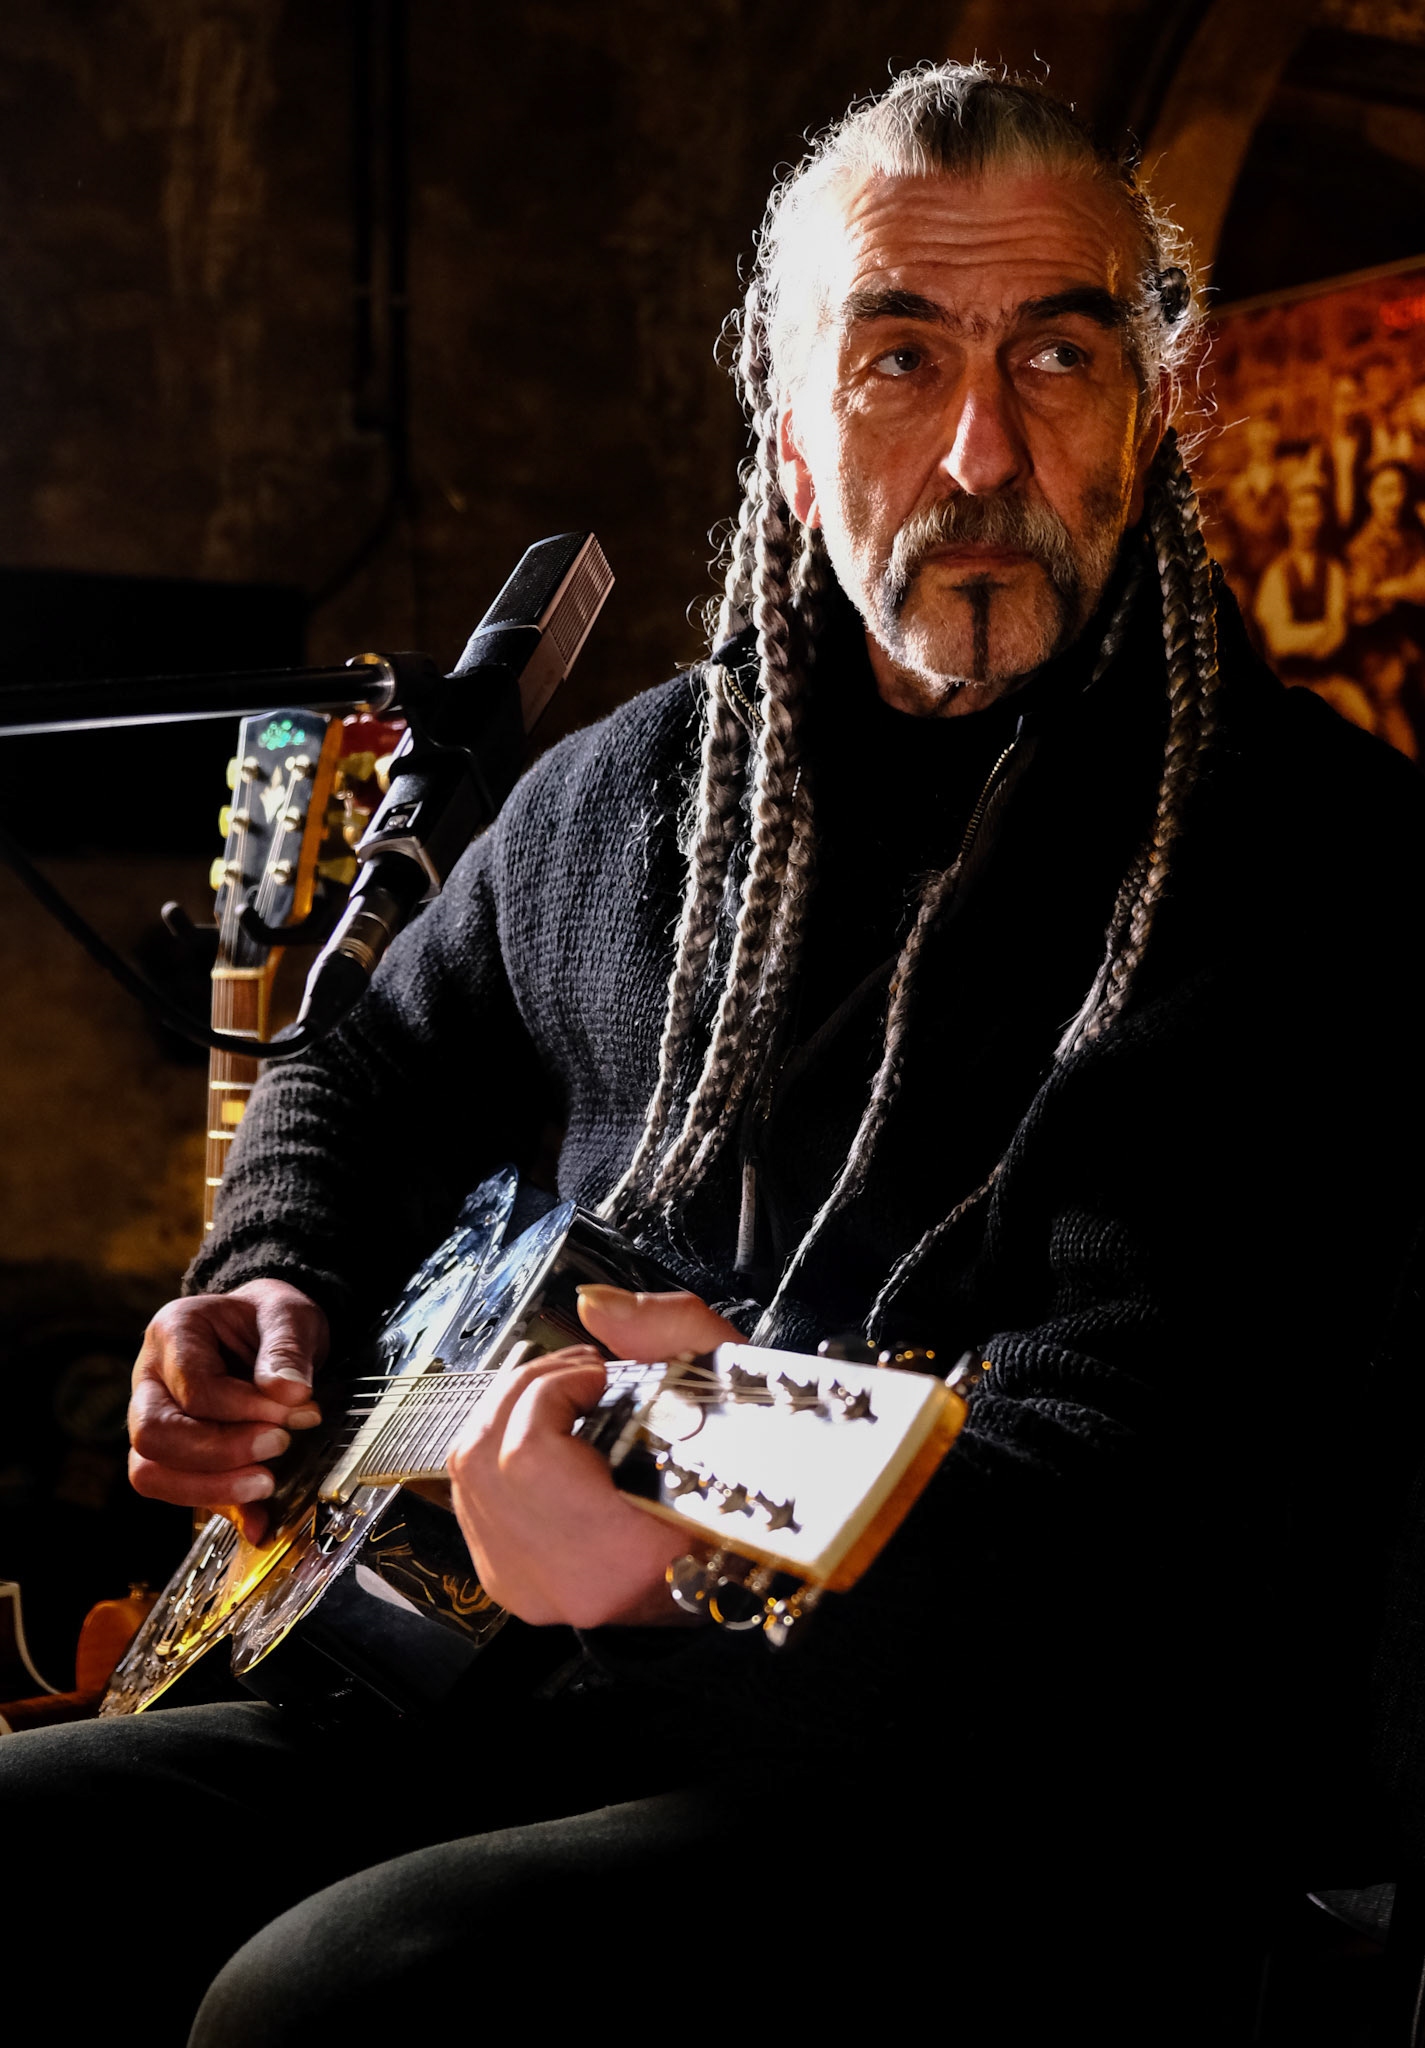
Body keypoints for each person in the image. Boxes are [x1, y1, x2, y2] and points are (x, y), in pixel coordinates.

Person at [5, 60, 1425, 2046]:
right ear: (787, 434)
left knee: (338, 2003)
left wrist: (680, 1512)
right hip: (518, 1695)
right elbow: (365, 1067)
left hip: (1017, 1792)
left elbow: (1129, 1502)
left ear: (1156, 412)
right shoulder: (636, 793)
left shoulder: (1304, 871)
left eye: (1056, 356)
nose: (979, 449)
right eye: (898, 361)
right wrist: (273, 1281)